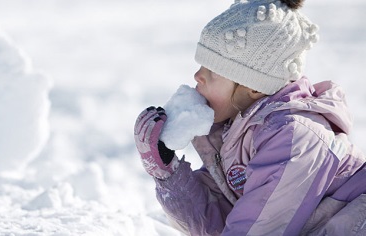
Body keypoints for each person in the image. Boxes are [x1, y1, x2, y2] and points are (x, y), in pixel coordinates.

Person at [134, 0, 366, 235]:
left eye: (213, 71)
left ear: (254, 87)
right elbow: (218, 224)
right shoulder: (236, 132)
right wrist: (167, 173)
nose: (197, 76)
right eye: (202, 65)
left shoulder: (293, 136)